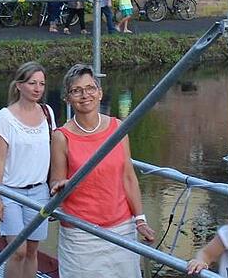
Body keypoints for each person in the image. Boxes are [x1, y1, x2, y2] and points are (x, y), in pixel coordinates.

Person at [50, 63, 154, 278]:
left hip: (121, 228)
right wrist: (59, 186)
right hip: (81, 233)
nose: (84, 95)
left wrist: (140, 219)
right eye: (76, 90)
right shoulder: (61, 136)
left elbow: (128, 177)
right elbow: (55, 182)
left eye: (90, 88)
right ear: (67, 98)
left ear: (100, 93)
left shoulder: (118, 128)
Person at [0, 61, 54, 278]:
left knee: (32, 250)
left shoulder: (47, 112)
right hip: (11, 191)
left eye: (42, 84)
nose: (38, 88)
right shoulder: (5, 117)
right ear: (19, 85)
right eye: (32, 83)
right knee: (18, 250)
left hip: (39, 191)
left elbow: (54, 151)